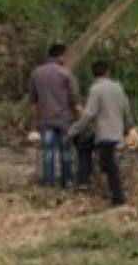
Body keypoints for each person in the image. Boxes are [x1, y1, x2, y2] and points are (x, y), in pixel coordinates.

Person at [68, 60, 132, 206]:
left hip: (104, 134)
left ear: (93, 74)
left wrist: (73, 130)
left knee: (109, 164)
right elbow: (126, 108)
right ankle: (87, 180)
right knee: (89, 149)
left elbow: (89, 114)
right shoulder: (118, 87)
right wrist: (128, 126)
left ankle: (118, 198)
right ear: (108, 72)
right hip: (116, 131)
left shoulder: (95, 89)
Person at [29, 43, 79, 189]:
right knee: (65, 152)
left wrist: (36, 121)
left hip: (45, 120)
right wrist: (77, 119)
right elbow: (74, 98)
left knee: (48, 153)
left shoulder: (36, 73)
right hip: (65, 120)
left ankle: (48, 183)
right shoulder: (66, 73)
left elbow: (33, 101)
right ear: (61, 56)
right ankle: (67, 181)